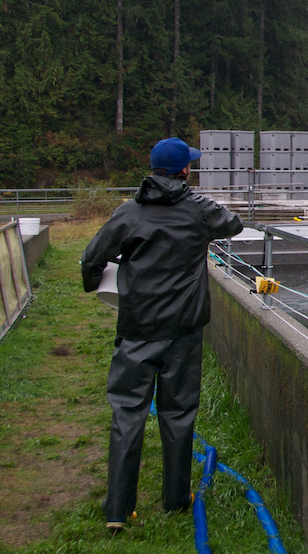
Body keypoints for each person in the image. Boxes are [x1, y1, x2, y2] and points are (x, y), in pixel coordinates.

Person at [81, 137, 243, 533]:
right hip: (183, 329)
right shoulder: (198, 209)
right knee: (178, 413)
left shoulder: (129, 212)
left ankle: (117, 510)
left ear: (153, 170)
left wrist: (96, 282)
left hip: (137, 327)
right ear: (185, 171)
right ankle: (176, 500)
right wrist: (197, 204)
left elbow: (91, 258)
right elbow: (234, 223)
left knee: (127, 413)